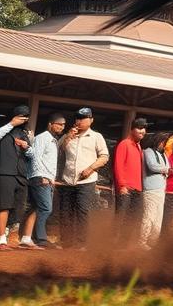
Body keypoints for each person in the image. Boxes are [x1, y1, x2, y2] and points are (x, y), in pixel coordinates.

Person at [56, 107, 108, 251]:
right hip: (67, 179)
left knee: (82, 211)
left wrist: (91, 168)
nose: (79, 121)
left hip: (86, 181)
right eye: (78, 118)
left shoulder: (96, 136)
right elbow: (57, 150)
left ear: (91, 120)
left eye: (83, 118)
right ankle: (65, 241)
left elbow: (104, 157)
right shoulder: (69, 135)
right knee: (65, 211)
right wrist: (67, 137)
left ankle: (81, 243)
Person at [0, 105, 33, 250]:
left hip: (22, 175)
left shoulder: (25, 135)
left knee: (18, 209)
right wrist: (11, 124)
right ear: (14, 116)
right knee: (4, 205)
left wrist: (27, 147)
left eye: (25, 117)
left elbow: (32, 155)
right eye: (21, 116)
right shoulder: (3, 131)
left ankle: (10, 238)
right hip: (5, 172)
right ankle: (1, 240)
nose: (23, 119)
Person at [20, 112, 65, 249]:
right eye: (59, 124)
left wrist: (51, 178)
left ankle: (27, 238)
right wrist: (43, 176)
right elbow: (36, 157)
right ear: (50, 124)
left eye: (63, 125)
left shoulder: (53, 140)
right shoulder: (42, 137)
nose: (62, 127)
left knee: (36, 208)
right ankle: (41, 239)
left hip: (47, 179)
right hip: (40, 178)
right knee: (46, 208)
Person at [112, 118, 147, 245]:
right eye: (139, 128)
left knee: (133, 218)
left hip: (137, 188)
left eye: (144, 128)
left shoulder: (138, 146)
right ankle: (112, 244)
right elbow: (118, 166)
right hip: (126, 187)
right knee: (121, 217)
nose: (142, 131)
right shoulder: (124, 144)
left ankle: (123, 245)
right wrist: (122, 185)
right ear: (132, 129)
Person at [140, 131, 170, 248]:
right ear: (158, 141)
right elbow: (152, 166)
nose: (165, 145)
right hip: (150, 190)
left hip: (161, 189)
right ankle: (142, 242)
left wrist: (168, 170)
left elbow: (167, 168)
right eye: (164, 142)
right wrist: (167, 170)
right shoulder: (147, 152)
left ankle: (152, 243)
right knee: (149, 217)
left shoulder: (164, 155)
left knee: (158, 219)